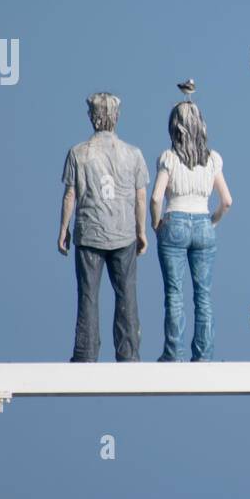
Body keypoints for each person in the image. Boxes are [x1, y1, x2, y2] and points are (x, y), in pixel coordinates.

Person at [58, 93, 149, 362]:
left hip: (89, 232)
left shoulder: (77, 153)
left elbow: (70, 195)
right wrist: (141, 231)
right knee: (127, 294)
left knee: (88, 295)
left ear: (92, 117)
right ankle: (128, 353)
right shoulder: (133, 154)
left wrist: (63, 229)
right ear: (116, 117)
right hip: (124, 232)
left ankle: (86, 353)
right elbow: (141, 196)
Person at [150, 101, 232, 362]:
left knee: (174, 293)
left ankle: (174, 353)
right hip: (203, 224)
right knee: (203, 295)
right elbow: (227, 201)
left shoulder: (169, 158)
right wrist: (212, 222)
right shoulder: (213, 159)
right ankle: (204, 355)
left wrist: (156, 224)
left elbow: (155, 198)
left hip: (174, 220)